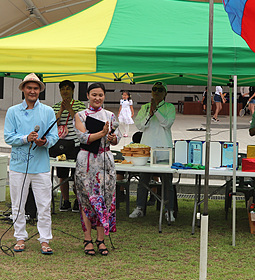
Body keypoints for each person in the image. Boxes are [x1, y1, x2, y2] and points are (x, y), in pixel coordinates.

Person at [4, 73, 58, 254]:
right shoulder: (12, 111)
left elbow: (54, 136)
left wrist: (45, 142)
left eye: (36, 88)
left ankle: (45, 239)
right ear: (23, 90)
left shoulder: (48, 111)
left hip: (41, 165)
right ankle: (20, 236)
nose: (32, 91)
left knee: (44, 204)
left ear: (40, 90)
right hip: (19, 165)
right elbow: (8, 136)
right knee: (18, 204)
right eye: (29, 88)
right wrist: (26, 138)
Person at [74, 82, 120, 256]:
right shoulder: (80, 115)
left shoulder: (110, 115)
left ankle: (101, 239)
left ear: (104, 96)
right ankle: (87, 239)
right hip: (86, 161)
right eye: (94, 94)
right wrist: (101, 133)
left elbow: (116, 140)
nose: (97, 98)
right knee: (86, 200)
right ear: (87, 96)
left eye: (100, 95)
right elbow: (83, 137)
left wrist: (112, 137)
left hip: (105, 161)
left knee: (104, 200)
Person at [129, 81, 177, 222]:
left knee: (167, 182)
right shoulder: (145, 107)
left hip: (163, 148)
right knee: (143, 180)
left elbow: (166, 124)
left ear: (165, 93)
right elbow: (140, 126)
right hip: (147, 148)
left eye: (160, 90)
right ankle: (140, 208)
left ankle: (169, 210)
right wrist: (150, 112)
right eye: (154, 89)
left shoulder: (169, 107)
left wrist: (156, 110)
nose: (156, 92)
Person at [52, 79, 86, 213]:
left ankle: (78, 200)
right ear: (60, 91)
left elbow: (82, 123)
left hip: (76, 144)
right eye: (62, 89)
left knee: (78, 174)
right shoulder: (55, 106)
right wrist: (61, 110)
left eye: (68, 88)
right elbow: (52, 123)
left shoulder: (79, 105)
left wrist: (70, 109)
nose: (65, 91)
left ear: (73, 90)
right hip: (60, 145)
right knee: (62, 174)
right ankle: (65, 201)